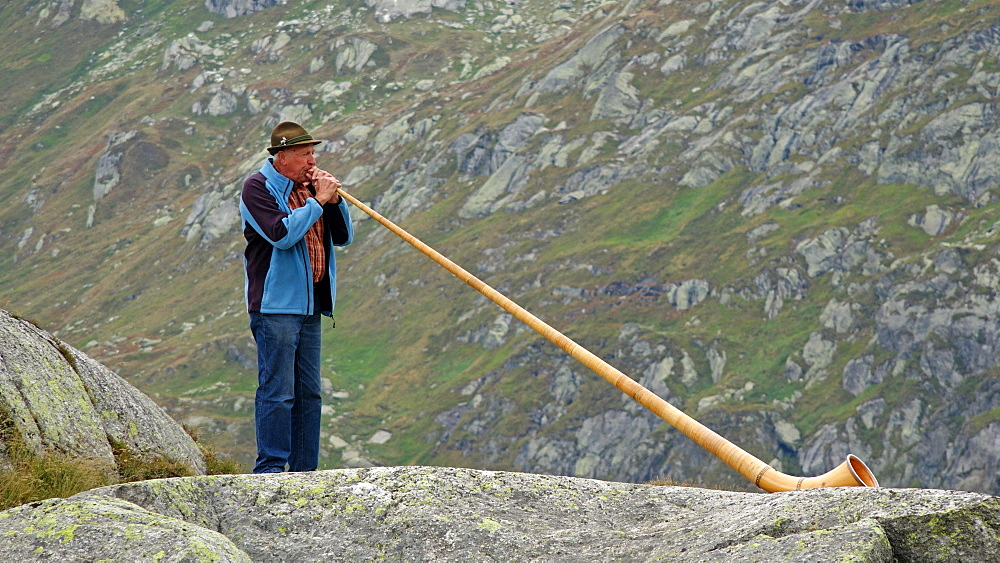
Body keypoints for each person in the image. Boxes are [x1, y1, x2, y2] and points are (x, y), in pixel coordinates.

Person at [239, 121, 353, 473]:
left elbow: (343, 236)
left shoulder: (308, 189)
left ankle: (305, 471)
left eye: (313, 153)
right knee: (278, 391)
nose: (311, 160)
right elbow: (282, 234)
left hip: (311, 306)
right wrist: (318, 200)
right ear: (282, 156)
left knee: (309, 394)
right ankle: (271, 468)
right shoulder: (257, 188)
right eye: (305, 154)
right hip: (276, 308)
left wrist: (332, 202)